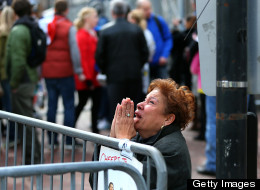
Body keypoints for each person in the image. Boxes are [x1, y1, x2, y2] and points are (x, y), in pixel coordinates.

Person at [110, 78, 195, 190]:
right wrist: (113, 136)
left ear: (168, 119)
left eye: (151, 102)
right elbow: (98, 179)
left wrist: (123, 141)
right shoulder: (138, 136)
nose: (140, 104)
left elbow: (130, 184)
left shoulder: (172, 150)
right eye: (145, 99)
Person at [95, 0, 149, 123]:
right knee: (134, 109)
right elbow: (145, 53)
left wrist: (105, 70)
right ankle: (134, 138)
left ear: (112, 12)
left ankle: (117, 138)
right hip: (134, 75)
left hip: (114, 76)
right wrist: (137, 66)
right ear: (126, 12)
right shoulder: (136, 29)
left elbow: (99, 55)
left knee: (116, 109)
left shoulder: (106, 31)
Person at [42, 0, 84, 148]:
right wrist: (78, 70)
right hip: (65, 72)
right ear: (66, 10)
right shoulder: (68, 27)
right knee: (68, 105)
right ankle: (68, 140)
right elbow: (74, 51)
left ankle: (52, 140)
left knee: (51, 105)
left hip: (48, 72)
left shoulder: (47, 25)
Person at [5, 0, 41, 164]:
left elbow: (18, 61)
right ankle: (32, 156)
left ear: (15, 12)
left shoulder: (19, 29)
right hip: (28, 78)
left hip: (22, 81)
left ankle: (32, 158)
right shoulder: (29, 25)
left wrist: (13, 84)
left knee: (26, 122)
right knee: (27, 120)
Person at [73, 7, 101, 134]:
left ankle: (95, 130)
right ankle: (70, 129)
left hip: (94, 76)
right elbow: (83, 58)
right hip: (86, 77)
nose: (97, 19)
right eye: (94, 16)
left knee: (95, 104)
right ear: (87, 18)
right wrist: (88, 78)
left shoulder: (93, 33)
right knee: (82, 103)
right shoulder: (81, 35)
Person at [136, 0, 172, 80]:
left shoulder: (158, 20)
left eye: (149, 8)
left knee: (163, 88)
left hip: (159, 63)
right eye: (145, 9)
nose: (149, 11)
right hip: (143, 65)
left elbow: (168, 38)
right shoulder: (135, 24)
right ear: (138, 9)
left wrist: (164, 55)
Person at [127, 8, 155, 96]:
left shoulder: (145, 33)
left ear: (134, 20)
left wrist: (147, 58)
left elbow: (151, 48)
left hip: (141, 66)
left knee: (142, 90)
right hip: (139, 66)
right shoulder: (146, 32)